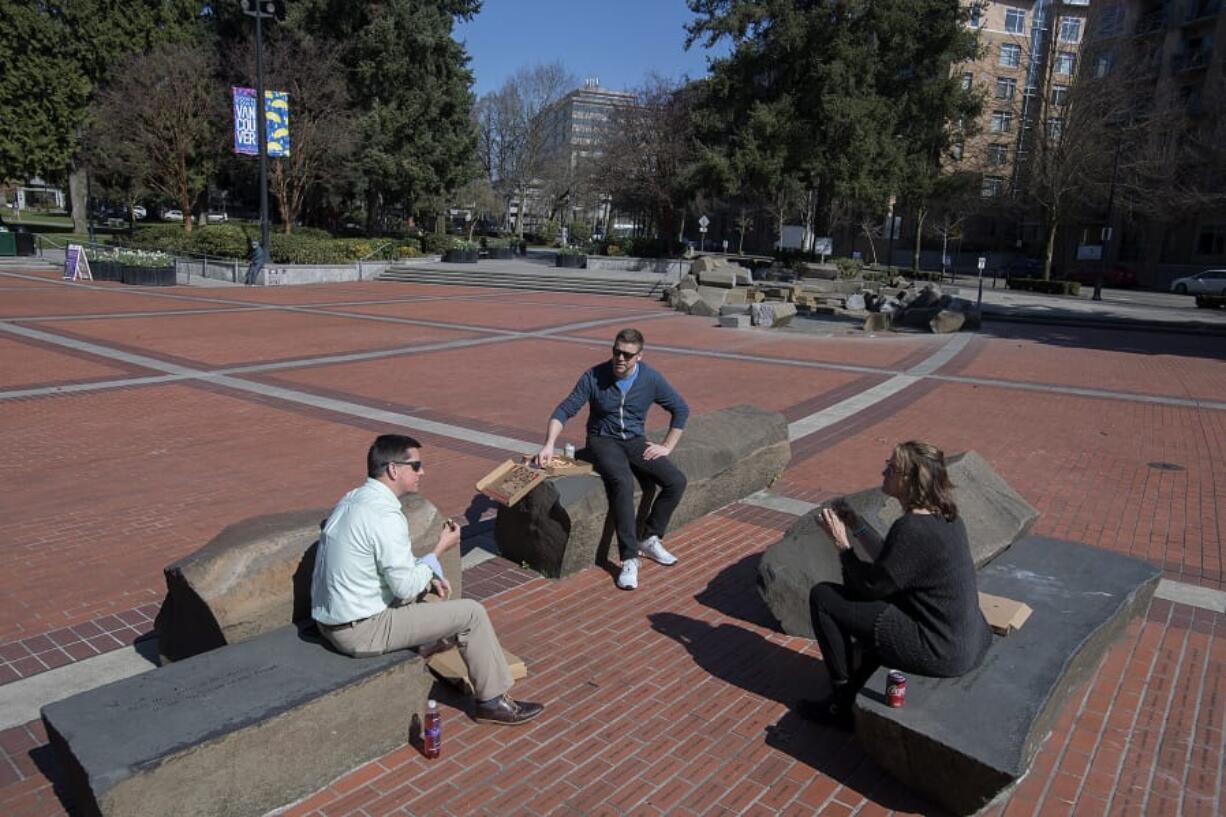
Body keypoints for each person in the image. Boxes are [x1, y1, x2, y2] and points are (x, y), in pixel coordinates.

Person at [312, 434, 543, 726]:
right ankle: (493, 701)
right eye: (416, 465)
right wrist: (438, 550)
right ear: (394, 470)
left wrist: (427, 571)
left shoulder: (355, 498)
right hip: (359, 629)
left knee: (434, 592)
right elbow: (405, 586)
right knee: (472, 613)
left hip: (333, 618)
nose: (423, 472)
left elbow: (389, 569)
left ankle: (427, 644)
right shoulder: (385, 515)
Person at [800, 440, 993, 730]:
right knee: (878, 609)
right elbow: (894, 566)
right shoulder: (946, 517)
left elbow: (870, 586)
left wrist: (842, 544)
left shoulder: (912, 528)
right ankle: (860, 673)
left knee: (824, 598)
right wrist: (857, 524)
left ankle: (841, 702)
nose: (883, 472)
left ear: (909, 480)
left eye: (891, 468)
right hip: (967, 640)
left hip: (940, 649)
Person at [536, 328, 689, 591]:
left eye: (627, 355)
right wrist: (549, 444)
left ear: (639, 356)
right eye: (616, 351)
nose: (620, 358)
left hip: (634, 440)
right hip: (602, 440)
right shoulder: (595, 376)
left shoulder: (650, 379)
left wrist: (666, 446)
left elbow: (680, 409)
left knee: (676, 480)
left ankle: (649, 538)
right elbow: (565, 409)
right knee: (622, 482)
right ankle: (629, 558)